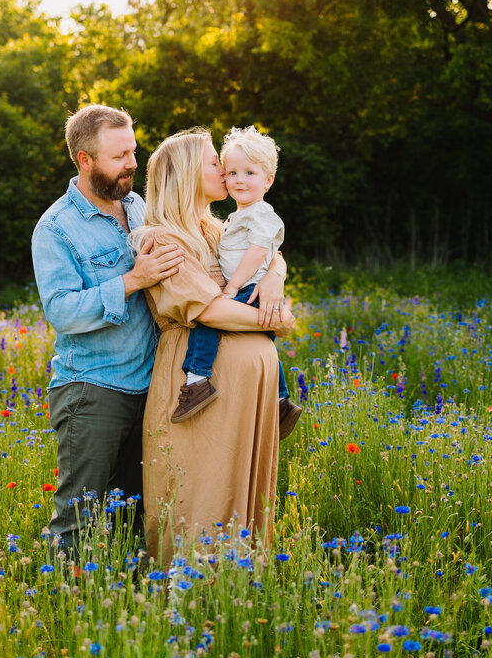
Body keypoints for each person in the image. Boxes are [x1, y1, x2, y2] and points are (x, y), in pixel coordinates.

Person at [130, 128, 296, 563]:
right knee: (201, 488)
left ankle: (242, 586)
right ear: (186, 175)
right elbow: (209, 312)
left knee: (242, 484)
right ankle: (189, 593)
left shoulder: (217, 229)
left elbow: (266, 249)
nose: (224, 171)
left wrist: (277, 273)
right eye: (213, 163)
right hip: (200, 383)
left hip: (245, 391)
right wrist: (277, 322)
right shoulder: (161, 238)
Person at [31, 104, 185, 557]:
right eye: (119, 156)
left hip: (150, 387)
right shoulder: (56, 227)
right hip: (92, 389)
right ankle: (63, 612)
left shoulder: (138, 207)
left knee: (135, 512)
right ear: (84, 159)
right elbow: (61, 311)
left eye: (133, 151)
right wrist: (133, 279)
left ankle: (126, 606)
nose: (132, 164)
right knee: (79, 517)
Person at [172, 126, 302, 439]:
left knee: (209, 322)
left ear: (269, 180)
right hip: (249, 286)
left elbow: (259, 253)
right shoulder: (236, 215)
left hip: (246, 287)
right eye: (232, 172)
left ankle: (197, 379)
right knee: (263, 339)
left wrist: (232, 289)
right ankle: (282, 399)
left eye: (249, 173)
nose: (239, 180)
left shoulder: (260, 214)